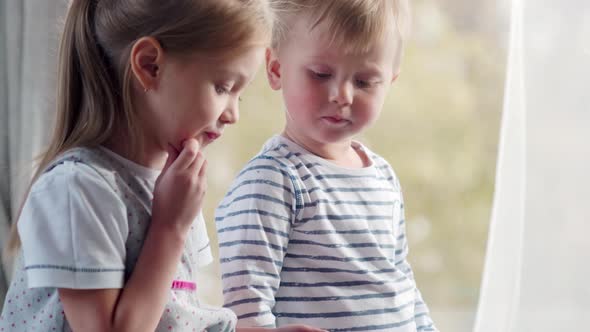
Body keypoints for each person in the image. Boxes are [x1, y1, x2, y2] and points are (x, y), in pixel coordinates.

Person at [0, 1, 325, 331]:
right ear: (150, 65)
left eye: (239, 95)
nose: (233, 114)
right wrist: (169, 228)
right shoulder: (76, 190)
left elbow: (175, 318)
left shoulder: (171, 186)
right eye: (223, 87)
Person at [215, 1, 438, 331]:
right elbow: (246, 305)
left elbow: (400, 279)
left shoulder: (382, 175)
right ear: (276, 70)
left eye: (365, 82)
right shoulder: (272, 180)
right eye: (321, 75)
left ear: (390, 81)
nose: (342, 95)